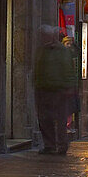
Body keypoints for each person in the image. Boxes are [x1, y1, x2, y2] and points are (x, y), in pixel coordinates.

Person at [34, 27, 79, 155]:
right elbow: (38, 69)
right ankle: (50, 145)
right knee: (44, 119)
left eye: (45, 36)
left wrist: (69, 88)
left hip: (60, 91)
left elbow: (68, 70)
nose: (43, 38)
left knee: (60, 120)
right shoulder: (41, 50)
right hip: (43, 90)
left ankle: (61, 145)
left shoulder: (62, 51)